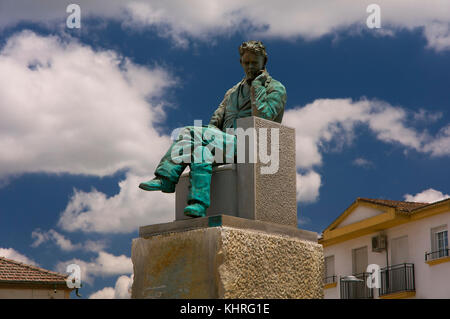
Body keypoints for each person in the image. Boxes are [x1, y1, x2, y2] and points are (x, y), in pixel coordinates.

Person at [139, 40, 287, 218]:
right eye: (246, 62)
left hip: (254, 145)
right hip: (228, 144)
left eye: (254, 63)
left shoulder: (275, 88)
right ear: (241, 62)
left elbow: (263, 118)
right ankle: (198, 205)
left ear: (264, 61)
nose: (250, 67)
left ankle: (166, 178)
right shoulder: (232, 92)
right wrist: (209, 134)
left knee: (188, 131)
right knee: (201, 151)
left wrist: (257, 87)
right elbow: (215, 122)